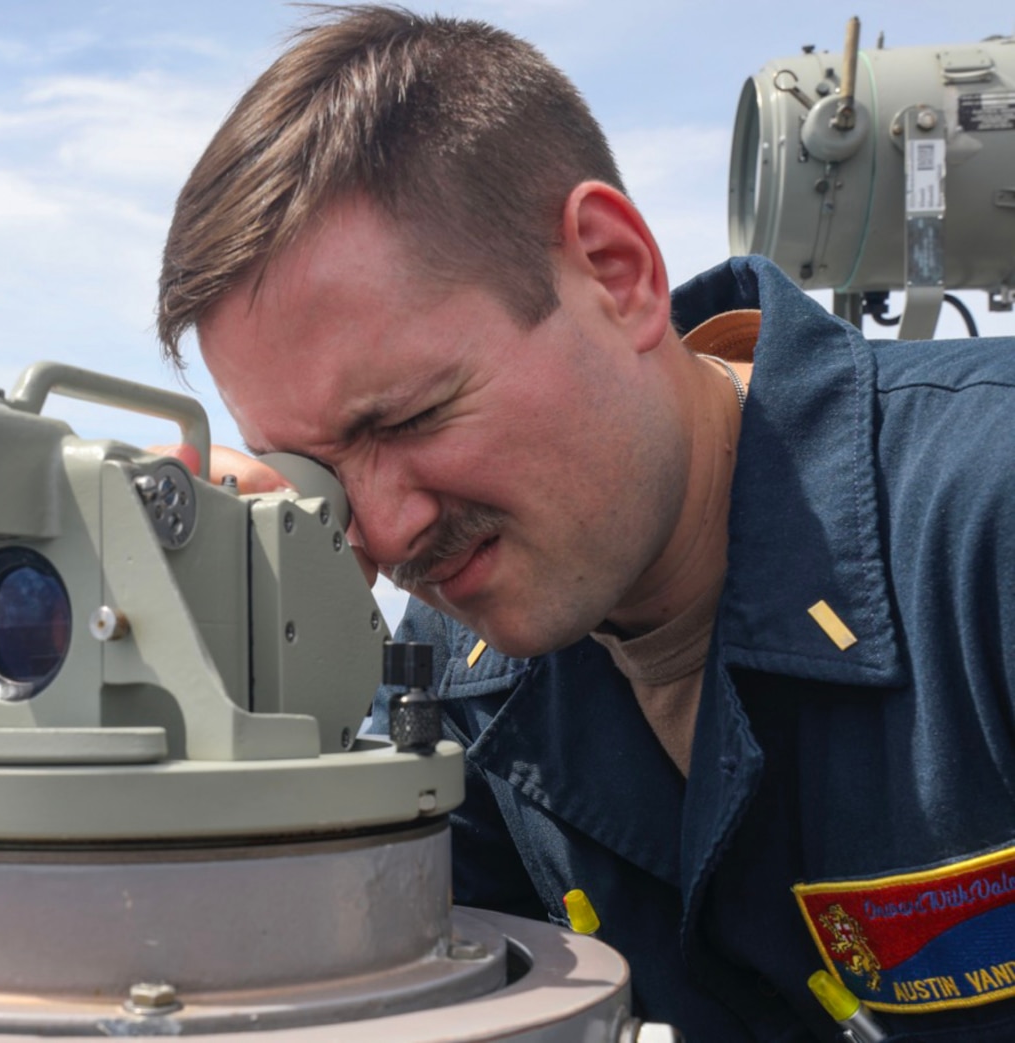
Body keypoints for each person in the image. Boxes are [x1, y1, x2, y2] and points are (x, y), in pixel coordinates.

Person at [155, 7, 1015, 1041]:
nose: (385, 533)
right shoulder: (460, 663)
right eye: (321, 474)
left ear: (615, 272)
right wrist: (253, 681)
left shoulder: (981, 521)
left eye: (412, 415)